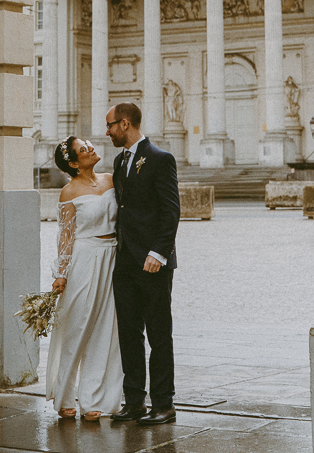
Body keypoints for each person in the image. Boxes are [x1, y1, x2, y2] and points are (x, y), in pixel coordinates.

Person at [107, 101, 181, 426]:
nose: (106, 131)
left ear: (125, 124)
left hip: (153, 262)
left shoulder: (161, 159)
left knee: (159, 335)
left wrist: (158, 253)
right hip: (124, 263)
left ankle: (164, 404)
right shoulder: (118, 160)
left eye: (110, 125)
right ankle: (134, 400)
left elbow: (171, 210)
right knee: (129, 334)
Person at [46, 137, 123, 420]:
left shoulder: (112, 180)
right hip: (84, 258)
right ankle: (65, 394)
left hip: (112, 257)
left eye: (88, 144)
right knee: (77, 326)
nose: (90, 148)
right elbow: (65, 236)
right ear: (74, 163)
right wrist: (61, 274)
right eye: (83, 149)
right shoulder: (68, 192)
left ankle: (95, 399)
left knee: (106, 329)